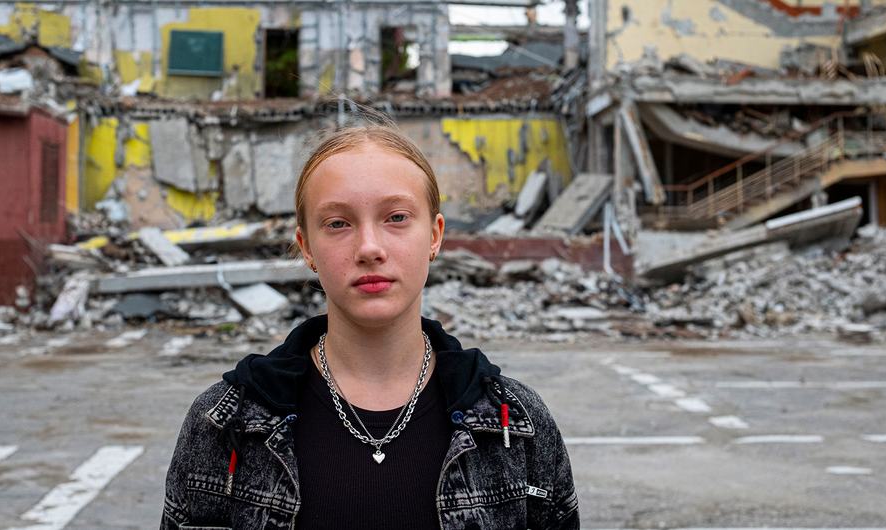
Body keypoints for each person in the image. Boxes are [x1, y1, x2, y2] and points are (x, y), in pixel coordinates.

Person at [160, 112, 579, 530]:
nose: (369, 247)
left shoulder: (518, 425)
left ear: (434, 236)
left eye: (396, 217)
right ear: (306, 247)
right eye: (338, 223)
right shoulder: (223, 423)